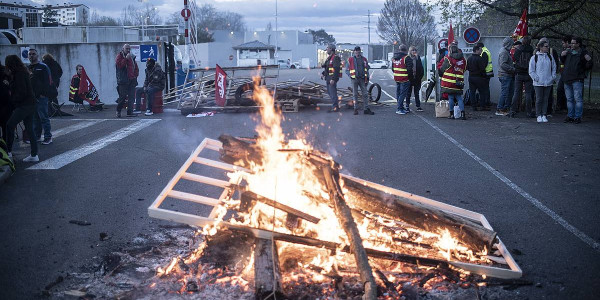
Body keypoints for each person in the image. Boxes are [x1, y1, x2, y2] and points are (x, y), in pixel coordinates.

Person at [4, 55, 38, 162]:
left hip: (24, 105)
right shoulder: (22, 72)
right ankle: (34, 154)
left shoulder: (19, 74)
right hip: (30, 104)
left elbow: (21, 92)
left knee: (9, 125)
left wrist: (13, 100)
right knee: (29, 129)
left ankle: (8, 152)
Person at [561, 36, 593, 124]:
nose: (571, 44)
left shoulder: (583, 53)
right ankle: (570, 116)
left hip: (577, 79)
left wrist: (588, 62)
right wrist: (562, 56)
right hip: (567, 78)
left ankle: (577, 117)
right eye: (571, 43)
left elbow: (589, 64)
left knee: (578, 99)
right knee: (569, 99)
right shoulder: (568, 51)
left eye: (573, 43)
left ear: (578, 44)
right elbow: (563, 62)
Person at [27, 48, 53, 145]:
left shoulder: (43, 67)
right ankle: (37, 136)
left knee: (44, 118)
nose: (31, 56)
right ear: (27, 56)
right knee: (35, 118)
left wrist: (44, 94)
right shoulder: (28, 68)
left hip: (41, 97)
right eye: (30, 54)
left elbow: (49, 81)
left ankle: (48, 137)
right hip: (32, 98)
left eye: (33, 54)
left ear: (37, 56)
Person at [529, 40, 556, 123]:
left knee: (546, 99)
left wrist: (552, 77)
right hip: (538, 83)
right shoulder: (534, 57)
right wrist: (536, 78)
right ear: (540, 47)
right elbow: (531, 70)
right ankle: (538, 114)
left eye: (548, 46)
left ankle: (544, 114)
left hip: (548, 82)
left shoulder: (550, 57)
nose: (548, 48)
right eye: (546, 46)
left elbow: (554, 68)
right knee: (539, 99)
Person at [509, 35, 534, 118]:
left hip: (519, 73)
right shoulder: (531, 49)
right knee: (528, 93)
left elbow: (514, 59)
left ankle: (512, 111)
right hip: (528, 73)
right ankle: (529, 112)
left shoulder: (518, 49)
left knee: (516, 92)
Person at [440, 44, 467, 120]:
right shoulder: (463, 59)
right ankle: (462, 113)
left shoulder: (448, 59)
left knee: (451, 98)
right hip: (459, 82)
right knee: (459, 98)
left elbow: (442, 69)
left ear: (450, 50)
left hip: (449, 83)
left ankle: (451, 114)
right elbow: (464, 69)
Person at [346, 46, 374, 115]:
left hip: (362, 79)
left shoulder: (364, 59)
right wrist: (350, 76)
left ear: (360, 51)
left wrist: (367, 78)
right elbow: (347, 70)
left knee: (365, 94)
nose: (357, 52)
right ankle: (355, 109)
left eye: (358, 50)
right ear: (354, 51)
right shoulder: (350, 59)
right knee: (355, 94)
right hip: (354, 79)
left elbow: (366, 69)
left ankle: (366, 109)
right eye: (356, 50)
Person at [116, 44, 139, 118]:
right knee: (122, 97)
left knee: (131, 97)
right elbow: (120, 66)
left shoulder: (132, 57)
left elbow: (135, 67)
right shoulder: (119, 56)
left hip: (131, 79)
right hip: (123, 80)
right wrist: (126, 59)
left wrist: (135, 76)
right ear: (123, 49)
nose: (128, 50)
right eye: (127, 49)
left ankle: (130, 111)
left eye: (129, 49)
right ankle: (118, 111)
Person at [538, 37, 560, 116]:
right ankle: (539, 111)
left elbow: (556, 64)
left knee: (548, 95)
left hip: (549, 76)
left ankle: (548, 111)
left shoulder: (552, 52)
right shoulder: (536, 53)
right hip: (539, 78)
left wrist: (553, 76)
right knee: (539, 96)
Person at [496, 38, 516, 116]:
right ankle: (500, 109)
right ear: (508, 44)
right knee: (505, 93)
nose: (512, 47)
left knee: (508, 92)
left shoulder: (505, 51)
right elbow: (503, 64)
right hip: (505, 75)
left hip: (507, 75)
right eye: (511, 45)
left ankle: (505, 108)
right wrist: (513, 69)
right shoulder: (504, 52)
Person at [467, 45, 489, 112]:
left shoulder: (469, 58)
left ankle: (474, 106)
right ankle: (482, 106)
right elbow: (482, 69)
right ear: (476, 50)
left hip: (471, 77)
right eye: (480, 50)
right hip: (479, 78)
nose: (481, 51)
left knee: (472, 92)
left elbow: (467, 68)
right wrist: (484, 76)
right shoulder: (480, 59)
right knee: (482, 92)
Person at [393, 44, 413, 115]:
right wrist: (411, 79)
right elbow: (410, 70)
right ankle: (399, 108)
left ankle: (400, 107)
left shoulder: (395, 58)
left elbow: (393, 68)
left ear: (399, 49)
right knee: (402, 94)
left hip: (397, 77)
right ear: (406, 50)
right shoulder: (407, 58)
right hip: (404, 78)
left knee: (398, 93)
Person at [321, 44, 341, 112]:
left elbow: (336, 69)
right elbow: (327, 68)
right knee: (330, 92)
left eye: (327, 48)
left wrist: (334, 79)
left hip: (332, 78)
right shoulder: (329, 58)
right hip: (328, 77)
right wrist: (323, 74)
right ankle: (335, 105)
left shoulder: (335, 58)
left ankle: (335, 107)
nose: (326, 50)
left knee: (332, 93)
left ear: (331, 49)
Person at [556, 35, 572, 112]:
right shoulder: (564, 51)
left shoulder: (571, 51)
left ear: (567, 42)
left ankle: (565, 107)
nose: (563, 45)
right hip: (564, 73)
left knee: (567, 91)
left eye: (563, 43)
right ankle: (561, 106)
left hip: (570, 74)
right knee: (560, 89)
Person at [407, 46, 424, 112]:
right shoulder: (408, 58)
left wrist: (420, 77)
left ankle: (418, 106)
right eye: (412, 50)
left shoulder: (418, 58)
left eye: (415, 50)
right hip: (410, 78)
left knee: (416, 93)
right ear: (410, 51)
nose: (414, 52)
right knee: (408, 93)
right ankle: (407, 106)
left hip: (417, 78)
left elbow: (421, 68)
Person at [476, 42, 493, 110]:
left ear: (480, 47)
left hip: (486, 72)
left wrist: (481, 71)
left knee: (485, 88)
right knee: (486, 88)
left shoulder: (484, 52)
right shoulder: (486, 50)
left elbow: (484, 63)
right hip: (489, 72)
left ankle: (486, 102)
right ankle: (487, 101)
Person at [0, 62, 12, 143]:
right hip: (6, 103)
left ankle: (6, 148)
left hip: (5, 103)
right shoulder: (4, 70)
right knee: (5, 127)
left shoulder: (5, 71)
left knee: (5, 127)